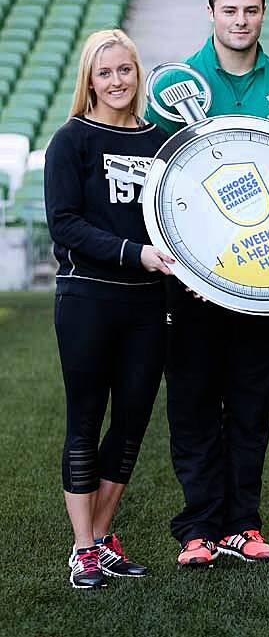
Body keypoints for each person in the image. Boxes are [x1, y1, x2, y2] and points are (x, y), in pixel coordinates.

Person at [146, 0, 269, 567]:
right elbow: (160, 185)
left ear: (263, 13)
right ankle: (197, 528)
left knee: (251, 409)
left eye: (250, 10)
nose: (240, 20)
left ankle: (241, 525)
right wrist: (182, 264)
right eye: (230, 10)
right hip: (193, 290)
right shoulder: (177, 87)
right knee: (194, 407)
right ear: (211, 13)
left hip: (266, 287)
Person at [44, 29, 175, 588]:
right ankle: (83, 548)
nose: (117, 81)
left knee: (129, 427)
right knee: (85, 421)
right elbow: (65, 223)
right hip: (88, 300)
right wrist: (134, 253)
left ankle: (99, 542)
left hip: (149, 307)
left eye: (125, 70)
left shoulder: (162, 143)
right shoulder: (70, 142)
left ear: (137, 74)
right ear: (89, 80)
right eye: (105, 73)